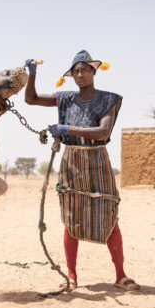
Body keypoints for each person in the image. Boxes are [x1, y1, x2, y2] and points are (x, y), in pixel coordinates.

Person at [24, 50, 140, 291]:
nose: (80, 74)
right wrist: (31, 75)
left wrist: (68, 127)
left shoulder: (109, 99)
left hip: (98, 160)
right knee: (71, 218)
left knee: (109, 215)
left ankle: (120, 275)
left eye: (84, 70)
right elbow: (31, 99)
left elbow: (103, 132)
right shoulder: (65, 98)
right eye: (76, 71)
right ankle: (71, 276)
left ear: (93, 71)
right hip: (72, 161)